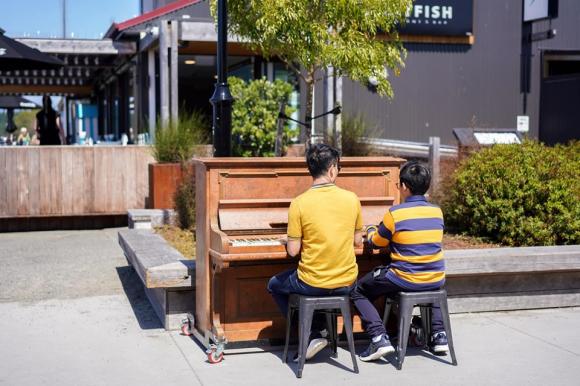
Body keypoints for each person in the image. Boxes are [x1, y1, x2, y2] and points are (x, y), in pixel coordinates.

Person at [267, 144, 363, 362]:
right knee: (323, 284)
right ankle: (319, 332)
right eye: (338, 167)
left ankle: (312, 333)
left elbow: (293, 251)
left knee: (273, 285)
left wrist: (289, 239)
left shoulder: (299, 203)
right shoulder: (352, 199)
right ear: (332, 169)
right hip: (347, 281)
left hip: (313, 282)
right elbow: (358, 241)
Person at [351, 161, 448, 362]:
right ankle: (439, 335)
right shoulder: (437, 212)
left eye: (398, 185)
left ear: (404, 186)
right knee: (429, 283)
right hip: (436, 278)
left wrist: (370, 230)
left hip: (405, 278)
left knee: (357, 290)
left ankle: (379, 337)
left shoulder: (396, 213)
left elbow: (377, 242)